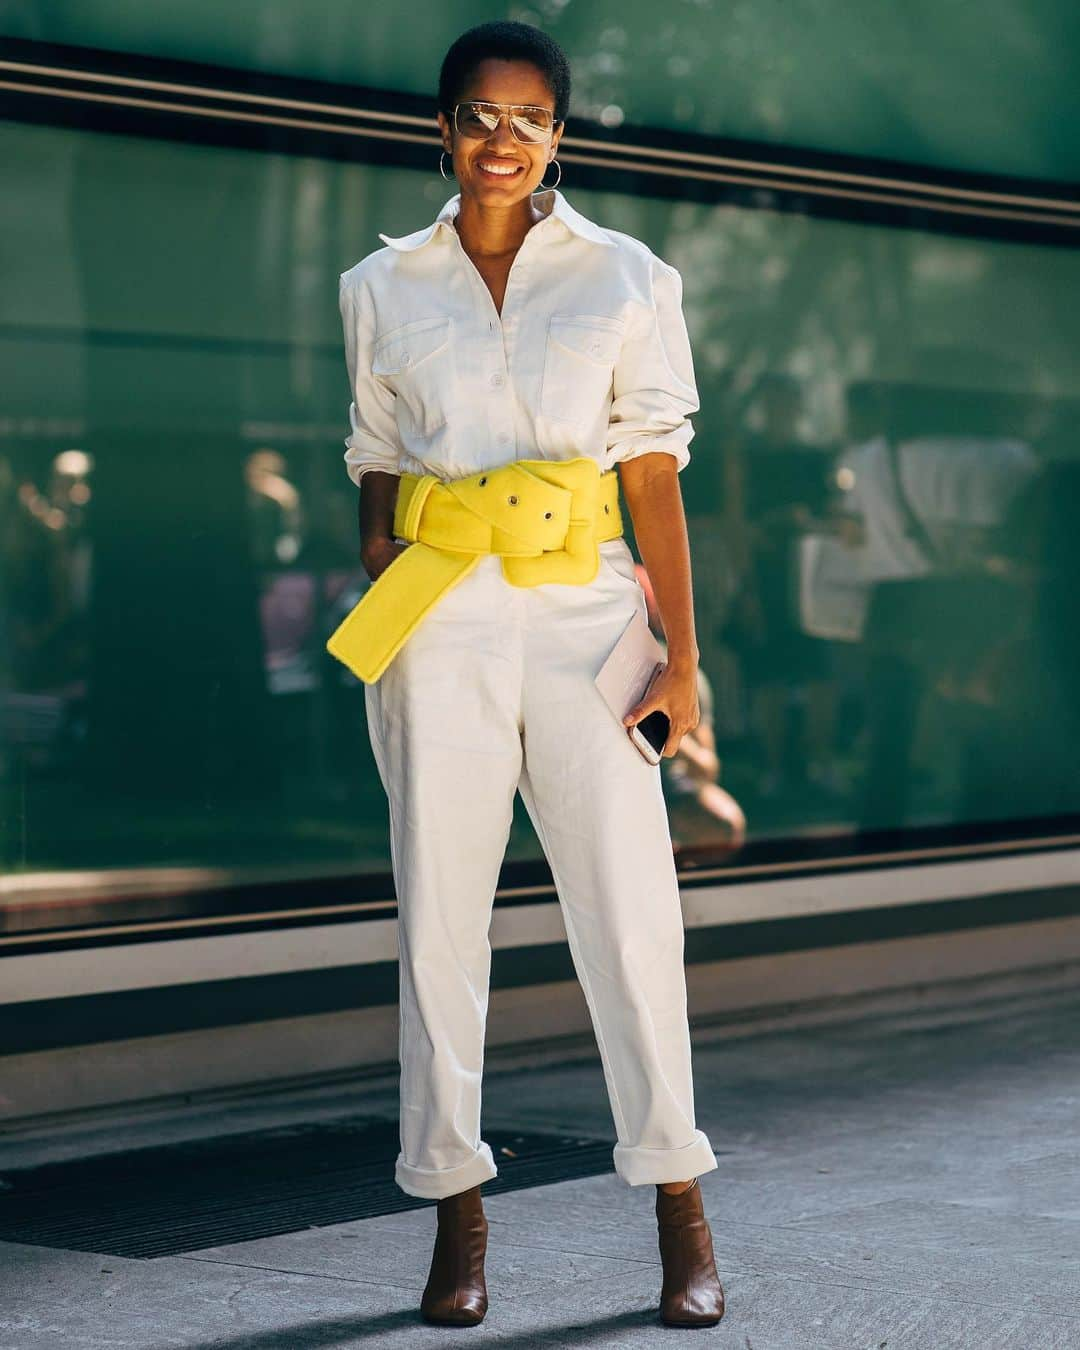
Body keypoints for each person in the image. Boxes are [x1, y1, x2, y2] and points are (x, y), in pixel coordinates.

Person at [336, 20, 724, 1329]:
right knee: (438, 915)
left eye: (528, 118)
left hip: (586, 617)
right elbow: (374, 449)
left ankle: (679, 1201)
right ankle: (455, 1211)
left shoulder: (626, 276)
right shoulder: (381, 285)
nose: (500, 139)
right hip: (436, 619)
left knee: (631, 915)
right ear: (441, 129)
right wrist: (385, 562)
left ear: (558, 133)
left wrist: (685, 651)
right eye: (476, 115)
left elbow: (653, 472)